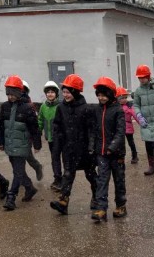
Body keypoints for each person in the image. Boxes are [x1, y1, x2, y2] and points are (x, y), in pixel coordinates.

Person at [49, 74, 97, 215]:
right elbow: (57, 127)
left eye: (68, 92)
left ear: (75, 92)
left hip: (84, 149)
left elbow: (91, 130)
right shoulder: (61, 108)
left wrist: (91, 146)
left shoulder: (87, 109)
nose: (65, 95)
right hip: (69, 149)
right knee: (68, 175)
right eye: (63, 92)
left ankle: (96, 197)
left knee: (91, 175)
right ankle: (63, 202)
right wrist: (58, 145)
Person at [0, 75, 41, 211]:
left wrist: (37, 144)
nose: (10, 97)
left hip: (22, 144)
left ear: (19, 92)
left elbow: (35, 128)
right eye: (8, 94)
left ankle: (11, 197)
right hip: (10, 144)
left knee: (17, 172)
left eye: (13, 94)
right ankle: (29, 188)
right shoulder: (4, 107)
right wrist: (1, 142)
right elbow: (1, 126)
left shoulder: (28, 108)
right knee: (18, 170)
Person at [90, 77, 127, 222]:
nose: (101, 98)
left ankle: (121, 205)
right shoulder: (97, 110)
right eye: (99, 95)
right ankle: (101, 208)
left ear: (110, 95)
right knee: (102, 180)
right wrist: (93, 146)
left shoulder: (118, 110)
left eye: (104, 95)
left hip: (116, 153)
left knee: (119, 180)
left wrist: (112, 147)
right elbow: (93, 130)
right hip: (102, 153)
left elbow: (120, 131)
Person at [38, 80, 62, 191]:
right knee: (54, 158)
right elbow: (40, 121)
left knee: (65, 159)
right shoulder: (43, 107)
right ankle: (57, 178)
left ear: (56, 94)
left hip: (62, 138)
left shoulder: (61, 106)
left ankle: (65, 179)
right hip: (51, 139)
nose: (50, 94)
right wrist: (37, 133)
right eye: (48, 92)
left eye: (52, 92)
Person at [21, 80, 44, 182]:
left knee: (27, 156)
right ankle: (21, 178)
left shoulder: (30, 106)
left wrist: (36, 143)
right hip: (15, 136)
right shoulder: (11, 104)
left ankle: (37, 166)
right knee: (18, 159)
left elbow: (35, 126)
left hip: (27, 136)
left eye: (22, 90)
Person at [116, 87, 139, 164]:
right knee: (120, 144)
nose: (125, 99)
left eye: (126, 97)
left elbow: (135, 115)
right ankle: (121, 157)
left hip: (128, 127)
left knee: (131, 142)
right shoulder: (115, 107)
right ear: (118, 98)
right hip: (118, 128)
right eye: (122, 98)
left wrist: (141, 123)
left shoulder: (129, 106)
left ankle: (134, 155)